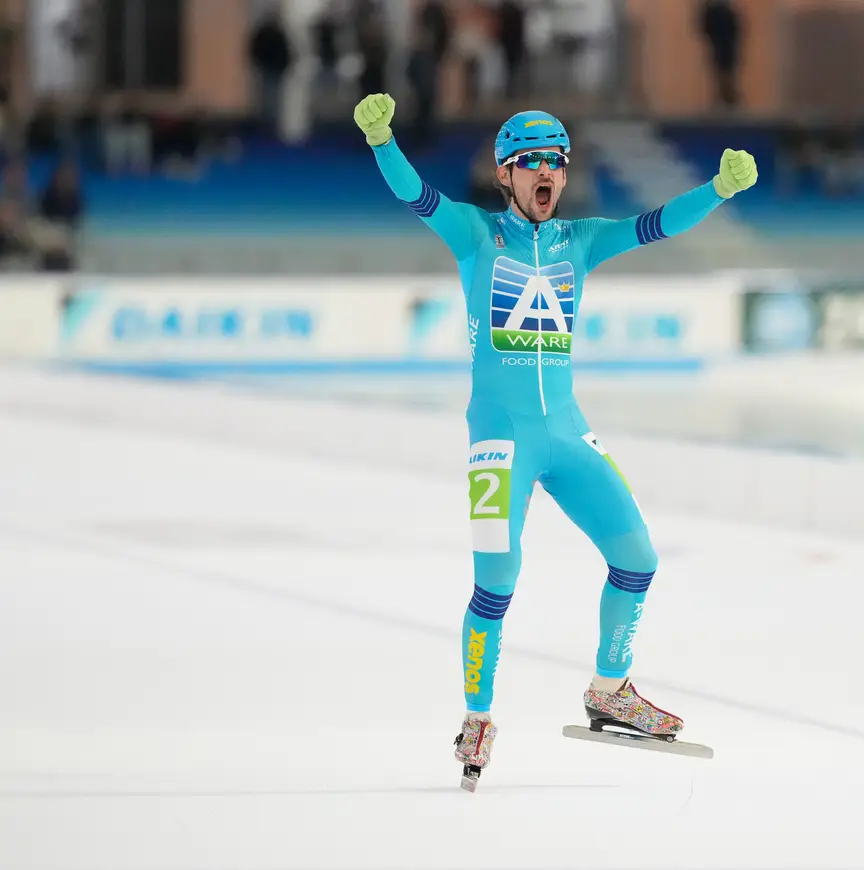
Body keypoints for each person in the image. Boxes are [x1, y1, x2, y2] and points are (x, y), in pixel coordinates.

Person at [352, 94, 757, 790]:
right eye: (532, 162)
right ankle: (477, 717)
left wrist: (717, 191)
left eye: (558, 163)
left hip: (567, 432)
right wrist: (383, 141)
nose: (548, 173)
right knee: (497, 582)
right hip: (501, 443)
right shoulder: (475, 234)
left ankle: (609, 689)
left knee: (637, 556)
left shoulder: (582, 241)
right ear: (506, 174)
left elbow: (655, 225)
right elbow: (416, 195)